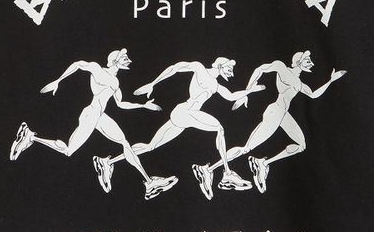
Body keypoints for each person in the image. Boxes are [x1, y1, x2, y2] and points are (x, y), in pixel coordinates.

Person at [9, 48, 177, 200]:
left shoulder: (116, 82)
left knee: (124, 142)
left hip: (100, 117)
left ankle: (147, 182)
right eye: (124, 58)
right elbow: (78, 64)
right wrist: (58, 81)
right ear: (114, 60)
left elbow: (121, 104)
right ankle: (30, 137)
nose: (128, 60)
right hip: (91, 115)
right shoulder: (98, 70)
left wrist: (143, 105)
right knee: (68, 151)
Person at [94, 57, 261, 200]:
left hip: (183, 116)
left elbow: (231, 96)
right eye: (229, 68)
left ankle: (107, 162)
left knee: (150, 146)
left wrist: (250, 91)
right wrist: (153, 83)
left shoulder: (216, 85)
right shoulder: (199, 68)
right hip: (185, 112)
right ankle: (226, 174)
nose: (231, 72)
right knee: (219, 128)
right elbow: (175, 68)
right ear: (220, 65)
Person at [204, 50, 346, 193]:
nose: (311, 63)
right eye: (307, 60)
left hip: (283, 114)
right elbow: (260, 69)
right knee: (246, 148)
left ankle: (262, 163)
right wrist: (247, 92)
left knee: (301, 145)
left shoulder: (299, 83)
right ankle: (209, 170)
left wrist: (331, 80)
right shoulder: (282, 68)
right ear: (298, 61)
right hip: (275, 112)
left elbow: (313, 95)